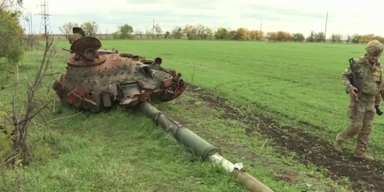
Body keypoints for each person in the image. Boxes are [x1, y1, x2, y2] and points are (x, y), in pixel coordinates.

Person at [334, 39, 383, 161]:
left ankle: (360, 152)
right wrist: (350, 88)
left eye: (377, 56)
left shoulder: (379, 67)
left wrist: (379, 101)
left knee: (367, 128)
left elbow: (379, 85)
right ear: (367, 52)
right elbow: (345, 77)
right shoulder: (357, 63)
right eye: (373, 55)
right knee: (356, 126)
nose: (375, 58)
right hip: (359, 99)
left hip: (371, 101)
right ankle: (340, 138)